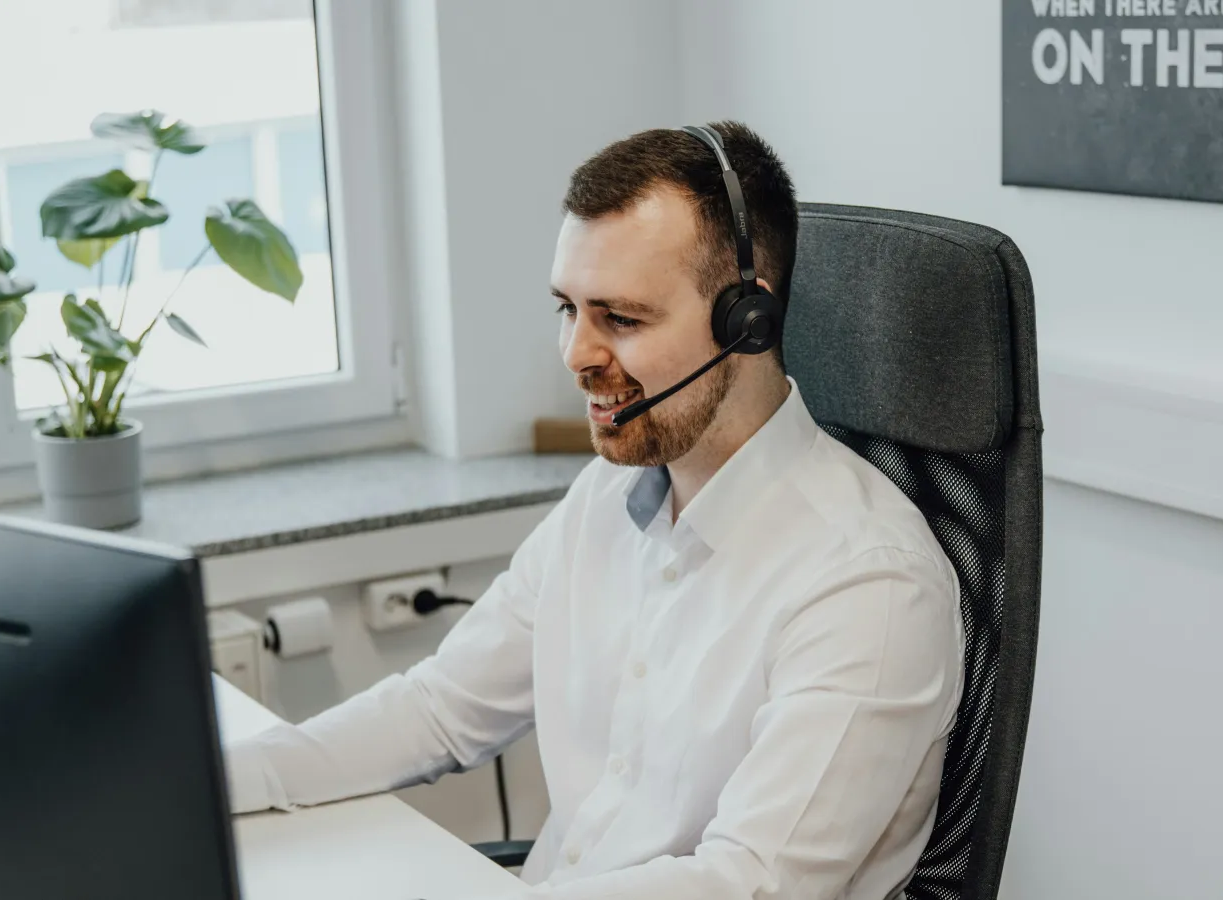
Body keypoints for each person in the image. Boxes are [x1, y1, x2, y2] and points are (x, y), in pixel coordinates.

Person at [224, 122, 964, 900]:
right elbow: (440, 709)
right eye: (567, 308)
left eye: (621, 318)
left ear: (749, 322)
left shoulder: (868, 584)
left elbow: (748, 884)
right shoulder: (606, 497)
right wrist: (218, 782)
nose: (576, 353)